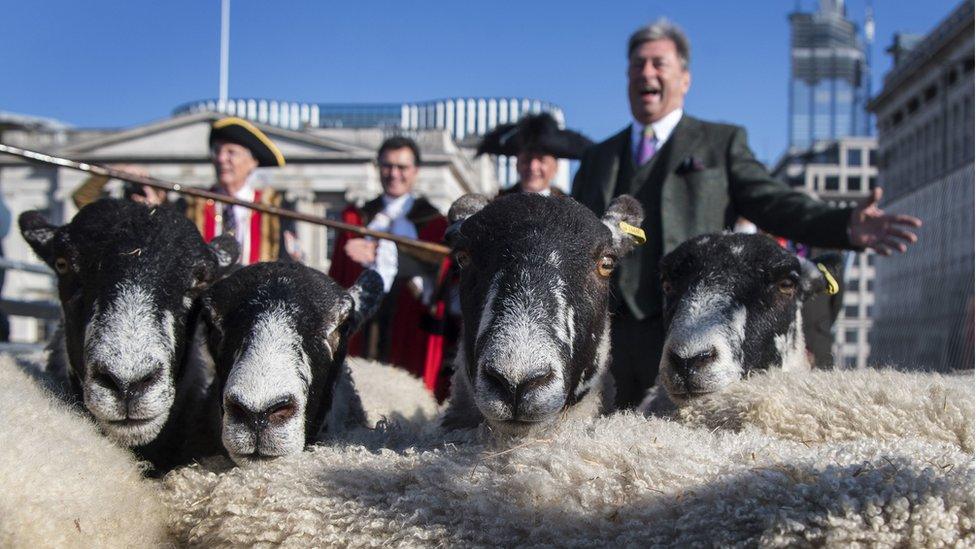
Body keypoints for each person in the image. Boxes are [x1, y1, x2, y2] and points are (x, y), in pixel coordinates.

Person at [571, 20, 923, 409]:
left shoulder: (721, 142)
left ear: (684, 78)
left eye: (658, 63)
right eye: (637, 65)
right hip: (609, 337)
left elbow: (772, 202)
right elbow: (575, 240)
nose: (646, 73)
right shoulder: (597, 158)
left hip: (695, 332)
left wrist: (842, 224)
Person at [328, 136, 448, 381]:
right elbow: (337, 280)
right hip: (360, 334)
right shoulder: (355, 219)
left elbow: (443, 270)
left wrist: (384, 254)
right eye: (387, 166)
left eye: (402, 167)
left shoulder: (434, 223)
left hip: (410, 331)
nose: (394, 174)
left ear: (415, 171)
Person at [184, 117, 302, 265]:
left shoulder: (275, 209)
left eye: (231, 152)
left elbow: (288, 261)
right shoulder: (192, 205)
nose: (221, 159)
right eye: (217, 151)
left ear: (253, 162)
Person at [477, 112, 592, 197]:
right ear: (517, 163)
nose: (532, 166)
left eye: (541, 160)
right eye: (527, 159)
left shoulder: (571, 209)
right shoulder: (495, 204)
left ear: (555, 167)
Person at [71, 164, 167, 209]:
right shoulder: (116, 219)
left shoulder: (175, 213)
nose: (139, 197)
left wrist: (157, 210)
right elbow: (81, 197)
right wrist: (116, 171)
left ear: (162, 194)